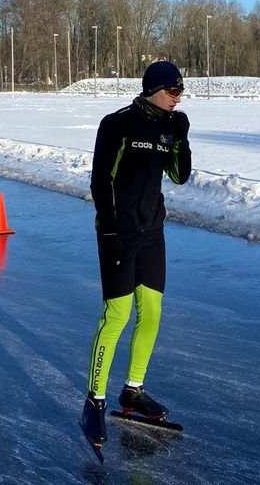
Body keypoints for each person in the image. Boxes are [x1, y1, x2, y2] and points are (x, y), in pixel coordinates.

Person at [79, 60, 192, 450]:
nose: (177, 99)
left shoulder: (168, 126)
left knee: (152, 312)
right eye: (172, 91)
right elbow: (100, 178)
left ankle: (133, 389)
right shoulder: (118, 123)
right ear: (154, 89)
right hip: (118, 232)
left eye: (181, 93)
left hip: (151, 233)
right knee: (117, 316)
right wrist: (109, 227)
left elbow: (180, 176)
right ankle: (94, 400)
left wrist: (182, 139)